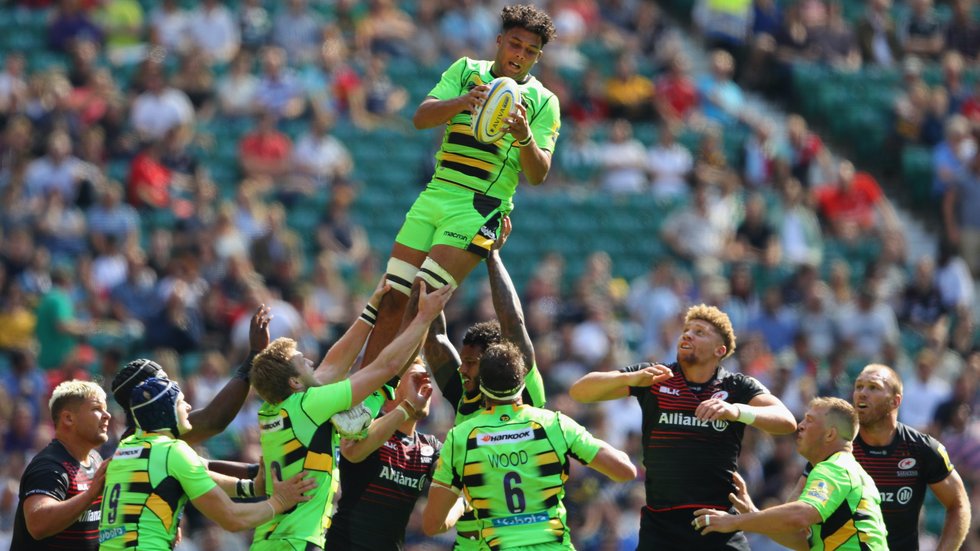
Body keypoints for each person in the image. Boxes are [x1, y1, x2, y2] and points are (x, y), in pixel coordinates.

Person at [357, 4, 559, 375]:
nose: (520, 55)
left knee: (421, 299)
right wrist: (465, 102)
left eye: (530, 51)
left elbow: (538, 173)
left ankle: (377, 395)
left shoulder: (544, 101)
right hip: (435, 193)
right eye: (515, 44)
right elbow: (421, 117)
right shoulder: (466, 70)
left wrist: (525, 136)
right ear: (499, 41)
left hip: (481, 206)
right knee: (392, 298)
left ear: (538, 56)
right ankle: (358, 400)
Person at [569, 304, 797, 550]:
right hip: (661, 527)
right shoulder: (655, 376)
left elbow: (786, 421)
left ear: (719, 350)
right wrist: (629, 378)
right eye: (686, 329)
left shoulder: (736, 386)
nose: (687, 334)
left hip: (717, 523)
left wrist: (737, 411)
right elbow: (580, 391)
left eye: (700, 332)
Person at [248, 282, 452, 550]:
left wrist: (372, 306)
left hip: (268, 540)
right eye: (301, 360)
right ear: (295, 383)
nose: (311, 360)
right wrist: (424, 317)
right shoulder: (307, 405)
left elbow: (333, 364)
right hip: (296, 542)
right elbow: (387, 366)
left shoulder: (273, 409)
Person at [422, 341, 637, 547]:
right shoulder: (555, 424)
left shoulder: (460, 437)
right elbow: (625, 472)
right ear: (523, 381)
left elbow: (433, 525)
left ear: (482, 386)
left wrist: (463, 503)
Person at [423, 217, 547, 549]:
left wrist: (492, 256)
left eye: (472, 364)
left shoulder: (525, 387)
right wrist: (434, 264)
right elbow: (434, 336)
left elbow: (512, 321)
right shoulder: (464, 393)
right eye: (463, 362)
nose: (462, 370)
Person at [97, 377, 316, 549]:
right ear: (167, 411)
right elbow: (232, 519)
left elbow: (200, 475)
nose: (190, 407)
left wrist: (252, 487)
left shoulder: (127, 447)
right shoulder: (172, 452)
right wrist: (280, 501)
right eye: (182, 402)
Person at [693, 397, 888, 551]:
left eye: (809, 420)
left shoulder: (834, 467)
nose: (800, 425)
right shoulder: (847, 468)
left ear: (830, 434)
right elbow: (803, 542)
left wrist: (733, 522)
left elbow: (800, 515)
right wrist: (751, 512)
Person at [108, 305, 272, 479]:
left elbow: (204, 465)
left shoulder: (144, 436)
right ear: (146, 394)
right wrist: (254, 354)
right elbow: (213, 420)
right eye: (163, 381)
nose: (172, 385)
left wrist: (260, 473)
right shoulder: (145, 441)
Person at [842, 364, 969, 549]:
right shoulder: (838, 447)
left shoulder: (921, 449)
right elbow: (801, 507)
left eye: (873, 387)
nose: (862, 393)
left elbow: (959, 505)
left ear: (895, 401)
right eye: (859, 386)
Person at [324, 357, 441, 551]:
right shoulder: (363, 423)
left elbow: (454, 476)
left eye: (427, 380)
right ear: (392, 388)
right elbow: (353, 452)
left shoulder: (430, 446)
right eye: (417, 379)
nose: (426, 386)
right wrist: (407, 407)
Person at [10, 381, 111, 550]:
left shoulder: (95, 459)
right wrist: (91, 494)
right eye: (96, 409)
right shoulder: (50, 467)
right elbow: (38, 525)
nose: (107, 415)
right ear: (68, 418)